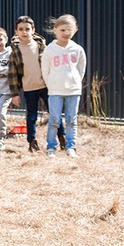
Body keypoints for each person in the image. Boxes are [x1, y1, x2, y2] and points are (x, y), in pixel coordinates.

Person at [42, 13, 89, 156]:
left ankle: (71, 147)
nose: (66, 33)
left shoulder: (78, 49)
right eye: (62, 30)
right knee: (55, 119)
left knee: (71, 120)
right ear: (55, 30)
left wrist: (75, 82)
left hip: (73, 91)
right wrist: (51, 85)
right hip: (55, 90)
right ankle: (51, 147)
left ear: (75, 31)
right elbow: (45, 70)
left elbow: (81, 69)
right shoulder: (50, 50)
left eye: (69, 30)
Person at [8, 16, 50, 153]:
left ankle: (61, 138)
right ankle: (32, 142)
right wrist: (15, 94)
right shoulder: (15, 51)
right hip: (29, 88)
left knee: (54, 114)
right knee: (31, 116)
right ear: (16, 31)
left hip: (46, 86)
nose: (24, 32)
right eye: (21, 29)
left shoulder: (42, 46)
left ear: (33, 30)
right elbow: (13, 74)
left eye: (27, 29)